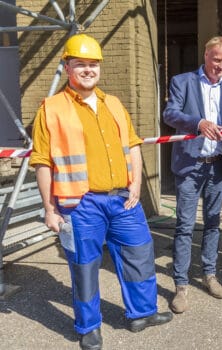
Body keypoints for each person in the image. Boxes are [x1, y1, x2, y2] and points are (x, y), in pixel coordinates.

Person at [30, 34, 172, 350]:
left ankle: (142, 314)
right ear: (67, 66)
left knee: (139, 255)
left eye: (93, 64)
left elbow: (133, 146)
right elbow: (42, 162)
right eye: (80, 64)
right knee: (84, 266)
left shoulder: (115, 104)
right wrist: (49, 208)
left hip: (123, 198)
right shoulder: (51, 109)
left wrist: (135, 185)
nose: (88, 70)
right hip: (80, 203)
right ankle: (88, 327)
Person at [162, 36, 222, 314]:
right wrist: (198, 123)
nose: (221, 65)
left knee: (212, 222)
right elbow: (170, 114)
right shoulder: (182, 81)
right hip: (190, 164)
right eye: (217, 59)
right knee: (185, 225)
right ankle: (181, 285)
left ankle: (209, 274)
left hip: (217, 164)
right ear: (206, 56)